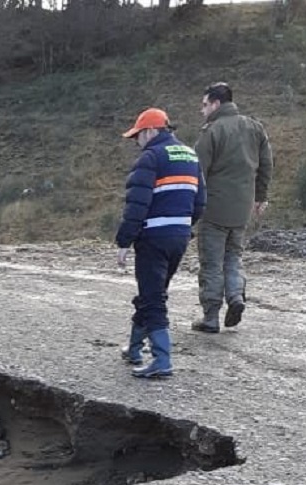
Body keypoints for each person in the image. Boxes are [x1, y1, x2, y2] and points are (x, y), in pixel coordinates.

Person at [115, 108, 205, 379]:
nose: (136, 142)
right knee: (152, 292)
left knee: (153, 298)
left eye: (137, 136)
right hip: (179, 236)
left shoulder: (151, 157)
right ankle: (133, 348)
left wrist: (124, 241)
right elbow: (200, 201)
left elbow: (137, 204)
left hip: (153, 237)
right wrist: (183, 226)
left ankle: (162, 360)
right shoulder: (190, 155)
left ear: (151, 131)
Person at [192, 82, 273, 332]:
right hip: (242, 208)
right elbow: (267, 164)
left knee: (212, 262)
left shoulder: (212, 131)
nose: (202, 110)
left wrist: (191, 208)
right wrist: (260, 197)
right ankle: (236, 296)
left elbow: (197, 172)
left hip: (214, 209)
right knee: (233, 257)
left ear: (216, 104)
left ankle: (211, 317)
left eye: (205, 105)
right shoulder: (255, 127)